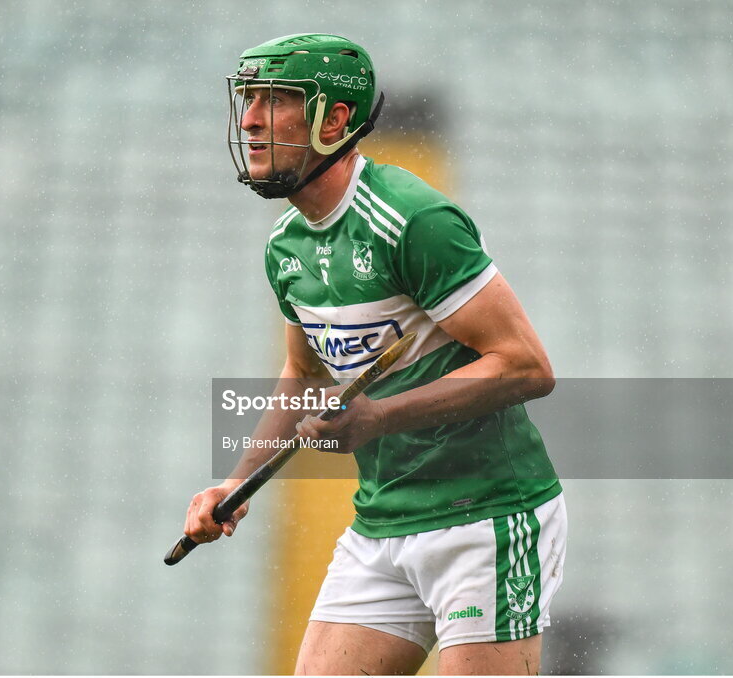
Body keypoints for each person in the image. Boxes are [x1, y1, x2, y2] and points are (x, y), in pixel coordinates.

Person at [183, 33, 567, 676]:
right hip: (383, 521)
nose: (249, 117)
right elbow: (303, 375)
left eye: (275, 100)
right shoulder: (285, 247)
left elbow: (527, 366)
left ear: (335, 120)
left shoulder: (412, 220)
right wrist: (234, 481)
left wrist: (380, 418)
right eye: (247, 98)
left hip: (489, 516)